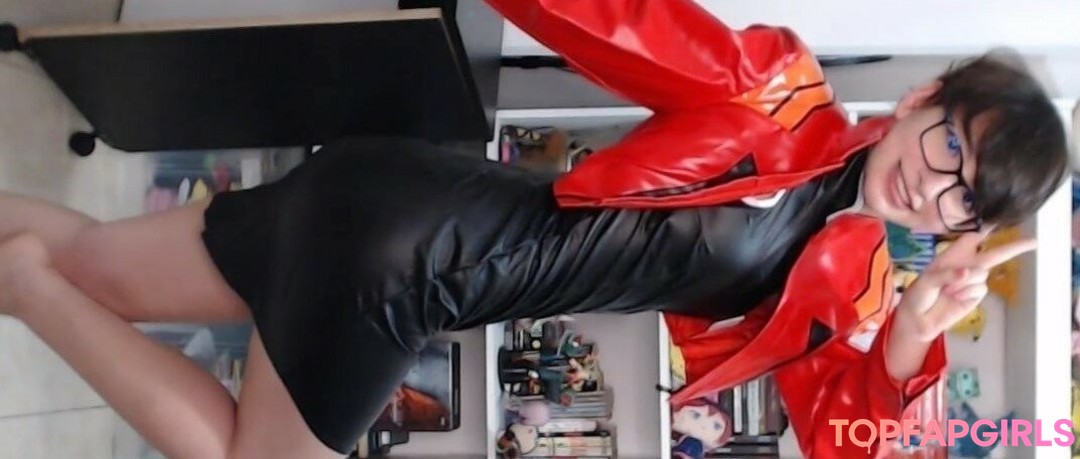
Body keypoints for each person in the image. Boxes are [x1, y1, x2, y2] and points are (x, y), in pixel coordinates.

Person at [0, 1, 1066, 459]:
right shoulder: (777, 92)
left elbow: (846, 439)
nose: (939, 189)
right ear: (922, 99)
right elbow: (614, 17)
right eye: (951, 148)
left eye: (970, 201)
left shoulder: (858, 290)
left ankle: (30, 271)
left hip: (388, 191)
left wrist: (912, 335)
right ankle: (26, 287)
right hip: (405, 268)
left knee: (103, 264)